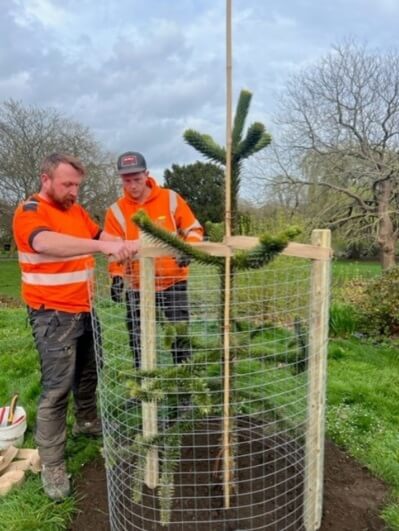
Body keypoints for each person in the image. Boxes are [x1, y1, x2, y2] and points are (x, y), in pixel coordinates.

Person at [12, 152, 139, 501]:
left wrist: (128, 245)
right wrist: (101, 246)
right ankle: (53, 464)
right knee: (56, 390)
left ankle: (87, 421)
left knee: (89, 372)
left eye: (78, 185)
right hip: (52, 315)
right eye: (68, 184)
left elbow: (104, 235)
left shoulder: (76, 211)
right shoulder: (30, 212)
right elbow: (45, 243)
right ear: (45, 179)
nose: (74, 191)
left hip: (84, 308)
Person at [104, 151, 203, 368]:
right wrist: (117, 277)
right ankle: (143, 388)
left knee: (179, 336)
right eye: (127, 180)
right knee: (138, 340)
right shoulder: (116, 211)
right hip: (137, 286)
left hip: (172, 283)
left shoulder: (170, 199)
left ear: (147, 174)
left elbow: (193, 228)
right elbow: (113, 248)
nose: (132, 186)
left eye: (137, 179)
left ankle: (183, 391)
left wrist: (189, 248)